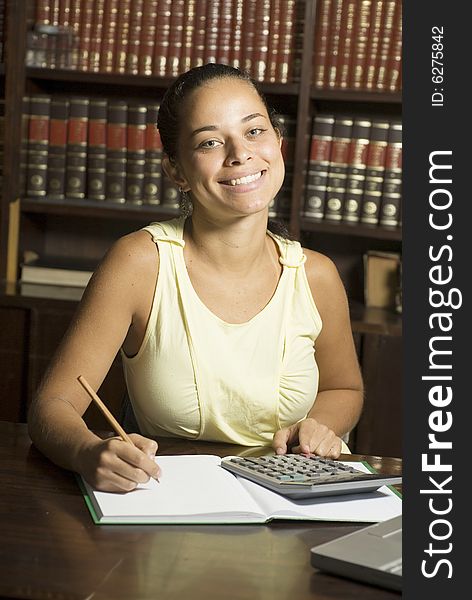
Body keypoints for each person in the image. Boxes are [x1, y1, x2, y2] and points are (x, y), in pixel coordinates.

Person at [27, 63, 363, 493]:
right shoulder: (139, 262)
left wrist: (320, 426)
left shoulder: (317, 275)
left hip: (291, 500)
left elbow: (344, 387)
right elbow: (51, 407)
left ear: (279, 142)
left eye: (255, 131)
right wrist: (87, 452)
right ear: (176, 171)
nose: (240, 154)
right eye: (209, 141)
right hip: (168, 499)